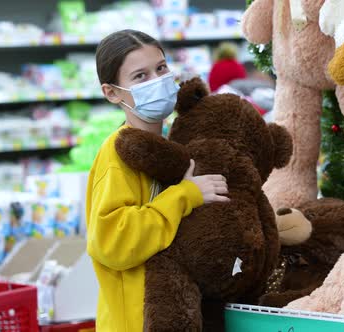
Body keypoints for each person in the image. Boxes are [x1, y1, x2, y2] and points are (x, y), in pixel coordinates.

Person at [87, 29, 229, 331]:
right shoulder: (118, 156)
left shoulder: (174, 146)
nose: (157, 80)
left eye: (161, 68)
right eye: (140, 76)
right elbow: (112, 242)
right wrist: (184, 196)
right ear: (112, 92)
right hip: (135, 322)